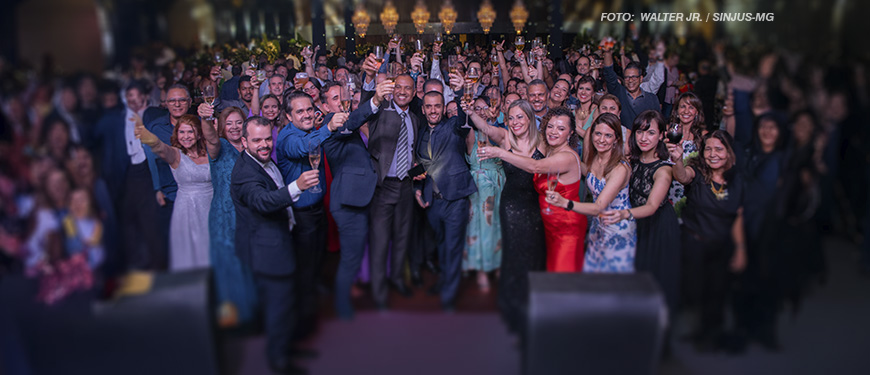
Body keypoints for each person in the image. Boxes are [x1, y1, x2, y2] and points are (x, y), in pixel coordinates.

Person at [231, 116, 319, 375]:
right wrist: (297, 186)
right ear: (244, 141)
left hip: (280, 241)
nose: (264, 144)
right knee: (278, 307)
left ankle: (287, 347)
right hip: (266, 250)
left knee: (287, 303)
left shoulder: (264, 162)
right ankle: (279, 361)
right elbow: (263, 201)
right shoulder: (245, 173)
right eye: (257, 140)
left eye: (268, 138)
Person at [468, 99, 545, 338]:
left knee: (535, 255)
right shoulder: (505, 137)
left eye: (520, 117)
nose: (515, 122)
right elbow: (486, 128)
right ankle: (513, 309)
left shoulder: (542, 140)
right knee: (514, 256)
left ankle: (534, 307)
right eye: (511, 118)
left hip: (537, 206)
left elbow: (535, 166)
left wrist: (501, 153)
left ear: (530, 118)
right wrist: (471, 111)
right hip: (512, 206)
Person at [479, 107, 587, 272]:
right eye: (550, 126)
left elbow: (534, 166)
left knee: (562, 278)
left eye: (561, 128)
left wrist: (501, 153)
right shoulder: (551, 151)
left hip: (564, 227)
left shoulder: (566, 156)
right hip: (548, 223)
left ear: (571, 133)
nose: (553, 131)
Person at [668, 130, 746, 352]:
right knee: (694, 291)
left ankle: (710, 336)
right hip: (694, 243)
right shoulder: (698, 172)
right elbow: (682, 176)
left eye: (719, 149)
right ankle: (691, 333)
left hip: (722, 246)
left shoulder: (737, 179)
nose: (712, 154)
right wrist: (677, 160)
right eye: (708, 149)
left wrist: (740, 249)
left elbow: (738, 215)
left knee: (717, 293)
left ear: (729, 153)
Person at [275, 91, 343, 335]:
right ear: (288, 115)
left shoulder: (310, 131)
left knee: (316, 261)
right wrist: (329, 127)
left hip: (316, 209)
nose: (305, 115)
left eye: (308, 110)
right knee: (303, 271)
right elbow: (305, 148)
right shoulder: (288, 138)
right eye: (299, 111)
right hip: (301, 214)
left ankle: (312, 305)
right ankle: (300, 327)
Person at [601, 110, 681, 314]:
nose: (644, 138)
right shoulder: (633, 161)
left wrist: (623, 214)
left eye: (651, 133)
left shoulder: (664, 169)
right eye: (640, 132)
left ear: (662, 135)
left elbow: (652, 206)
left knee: (654, 284)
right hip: (637, 226)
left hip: (658, 229)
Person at [356, 65, 420, 308]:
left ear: (414, 93)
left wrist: (417, 176)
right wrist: (370, 78)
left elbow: (412, 155)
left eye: (408, 88)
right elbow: (363, 106)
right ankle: (379, 292)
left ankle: (397, 281)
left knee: (402, 238)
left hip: (405, 187)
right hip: (383, 188)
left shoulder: (414, 119)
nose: (403, 92)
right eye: (399, 87)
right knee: (381, 241)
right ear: (393, 90)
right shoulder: (380, 110)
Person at [545, 113, 636, 273]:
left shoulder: (620, 168)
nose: (601, 139)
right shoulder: (596, 159)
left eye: (608, 135)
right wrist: (566, 154)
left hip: (617, 231)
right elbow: (588, 172)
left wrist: (565, 203)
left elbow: (598, 207)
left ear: (616, 139)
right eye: (598, 133)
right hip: (598, 228)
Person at [195, 103, 258, 328]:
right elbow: (210, 139)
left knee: (252, 264)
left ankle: (254, 314)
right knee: (229, 269)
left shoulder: (252, 146)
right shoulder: (219, 146)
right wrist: (205, 119)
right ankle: (232, 321)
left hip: (251, 214)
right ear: (221, 126)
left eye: (238, 122)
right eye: (228, 123)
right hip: (225, 217)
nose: (233, 127)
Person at [414, 91, 476, 310]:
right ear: (423, 109)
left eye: (437, 106)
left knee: (453, 247)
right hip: (433, 201)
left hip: (455, 199)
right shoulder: (420, 134)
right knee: (441, 245)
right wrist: (418, 189)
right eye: (428, 106)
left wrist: (460, 92)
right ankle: (443, 282)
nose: (433, 110)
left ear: (443, 108)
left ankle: (448, 298)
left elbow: (462, 118)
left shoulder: (453, 126)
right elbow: (419, 166)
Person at [321, 88, 376, 320]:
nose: (342, 101)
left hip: (358, 198)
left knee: (353, 256)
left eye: (343, 96)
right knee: (350, 258)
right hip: (347, 203)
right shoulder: (330, 125)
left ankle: (344, 302)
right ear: (325, 107)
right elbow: (353, 120)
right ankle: (342, 309)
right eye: (335, 98)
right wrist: (375, 100)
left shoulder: (346, 125)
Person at [135, 114, 213, 271]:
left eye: (190, 132)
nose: (186, 137)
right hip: (188, 211)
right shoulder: (176, 155)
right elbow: (160, 148)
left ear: (198, 133)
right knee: (192, 257)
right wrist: (148, 137)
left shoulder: (210, 153)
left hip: (212, 206)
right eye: (182, 132)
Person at [462, 97, 505, 290]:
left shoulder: (501, 132)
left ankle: (497, 265)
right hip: (479, 186)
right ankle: (481, 269)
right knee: (480, 228)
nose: (480, 111)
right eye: (476, 108)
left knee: (498, 226)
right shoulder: (470, 131)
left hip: (499, 182)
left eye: (484, 108)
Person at [601, 46, 661, 129]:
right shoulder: (619, 93)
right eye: (627, 77)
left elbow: (658, 123)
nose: (630, 80)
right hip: (622, 139)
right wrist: (607, 52)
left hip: (643, 140)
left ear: (641, 79)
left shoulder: (652, 99)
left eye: (634, 77)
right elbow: (609, 73)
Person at [667, 92, 706, 215]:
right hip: (668, 184)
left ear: (697, 112)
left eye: (691, 107)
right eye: (683, 106)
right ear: (677, 111)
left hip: (691, 188)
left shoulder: (703, 136)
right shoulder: (668, 131)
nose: (686, 111)